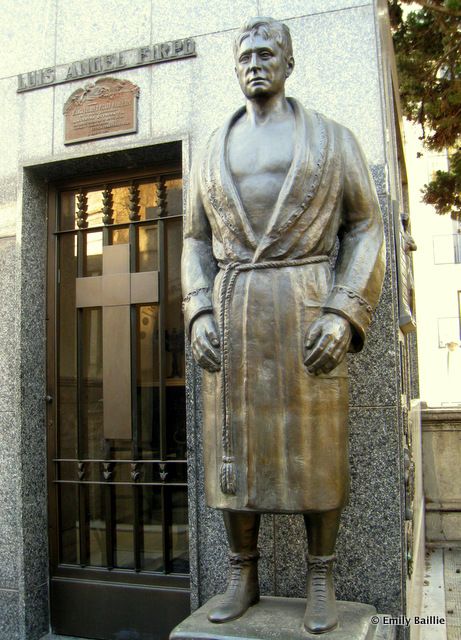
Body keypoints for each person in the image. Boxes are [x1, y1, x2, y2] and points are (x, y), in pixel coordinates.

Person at [181, 17, 385, 634]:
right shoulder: (212, 149)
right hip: (236, 309)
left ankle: (320, 573)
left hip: (305, 305)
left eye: (268, 52)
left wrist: (344, 311)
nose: (255, 62)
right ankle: (243, 572)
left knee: (314, 447)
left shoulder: (332, 139)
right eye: (245, 54)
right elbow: (193, 239)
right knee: (231, 447)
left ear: (290, 63)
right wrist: (198, 310)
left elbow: (367, 225)